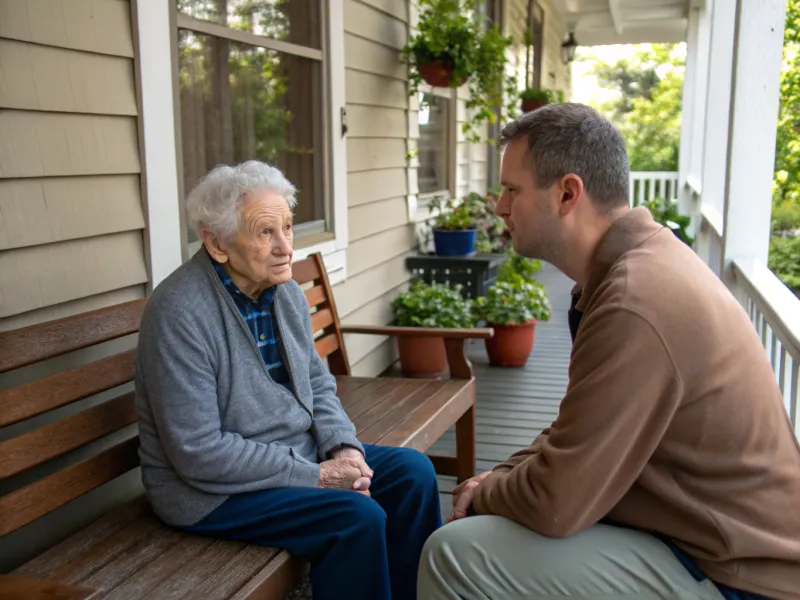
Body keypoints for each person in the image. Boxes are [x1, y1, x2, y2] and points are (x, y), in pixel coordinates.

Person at [417, 103, 800, 600]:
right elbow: (578, 428)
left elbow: (558, 502)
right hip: (701, 538)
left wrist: (484, 491)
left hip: (739, 574)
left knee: (454, 554)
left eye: (512, 189)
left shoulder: (634, 301)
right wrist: (506, 472)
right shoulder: (633, 268)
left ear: (567, 194)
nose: (500, 207)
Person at [135, 161, 441, 600]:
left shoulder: (285, 293)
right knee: (356, 516)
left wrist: (343, 446)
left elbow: (317, 384)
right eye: (265, 232)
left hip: (294, 457)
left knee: (413, 473)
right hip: (211, 492)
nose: (285, 247)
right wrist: (315, 475)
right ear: (216, 243)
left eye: (288, 228)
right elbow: (197, 451)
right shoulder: (180, 314)